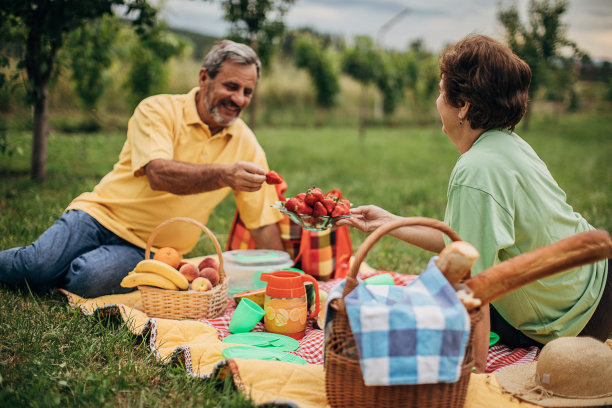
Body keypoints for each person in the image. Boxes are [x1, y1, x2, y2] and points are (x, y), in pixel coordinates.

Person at [337, 34, 611, 372]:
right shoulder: (508, 144)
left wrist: (476, 379)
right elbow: (459, 244)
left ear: (463, 105)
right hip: (594, 288)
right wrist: (388, 223)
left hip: (570, 324)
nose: (438, 101)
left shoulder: (475, 171)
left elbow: (472, 294)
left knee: (436, 304)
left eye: (441, 92)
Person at [0, 40, 284, 298]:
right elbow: (159, 173)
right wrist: (224, 174)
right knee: (36, 265)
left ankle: (57, 271)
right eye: (232, 87)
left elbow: (262, 222)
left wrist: (284, 278)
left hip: (151, 248)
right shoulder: (157, 110)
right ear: (203, 78)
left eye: (248, 91)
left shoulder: (247, 144)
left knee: (86, 278)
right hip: (99, 216)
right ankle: (43, 269)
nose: (240, 99)